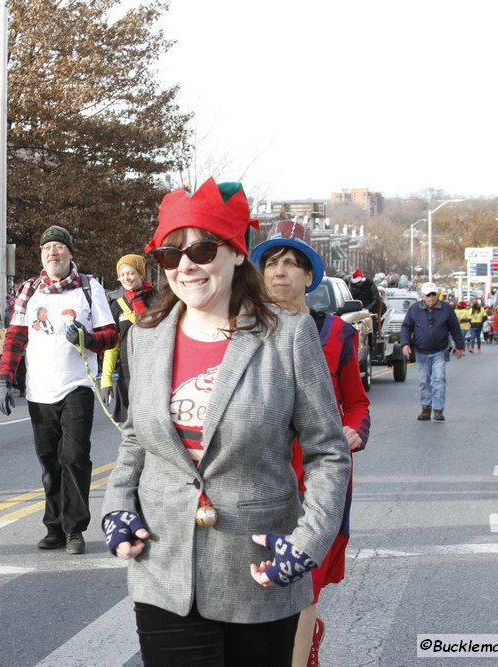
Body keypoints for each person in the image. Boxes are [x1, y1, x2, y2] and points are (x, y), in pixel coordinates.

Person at [100, 178, 350, 665]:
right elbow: (136, 440)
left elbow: (327, 451)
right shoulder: (145, 339)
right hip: (165, 573)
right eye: (171, 255)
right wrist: (116, 507)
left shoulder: (289, 336)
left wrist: (309, 541)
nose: (187, 265)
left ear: (236, 253)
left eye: (202, 248)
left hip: (260, 573)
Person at [251, 225, 370, 667]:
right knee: (263, 582)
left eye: (289, 264)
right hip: (263, 474)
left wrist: (355, 430)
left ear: (308, 276)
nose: (278, 272)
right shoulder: (245, 331)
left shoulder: (336, 334)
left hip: (319, 477)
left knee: (303, 583)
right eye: (270, 264)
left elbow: (357, 403)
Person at [0, 226, 117, 554]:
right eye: (47, 248)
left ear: (70, 254)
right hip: (39, 391)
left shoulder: (89, 288)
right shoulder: (28, 291)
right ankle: (54, 527)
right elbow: (15, 337)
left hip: (77, 386)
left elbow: (111, 335)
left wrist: (89, 339)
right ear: (41, 256)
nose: (53, 253)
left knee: (74, 457)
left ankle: (74, 529)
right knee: (50, 463)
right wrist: (5, 380)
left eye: (59, 247)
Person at [400, 282, 465, 421]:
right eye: (428, 295)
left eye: (433, 294)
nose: (431, 298)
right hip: (421, 351)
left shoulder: (446, 309)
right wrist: (405, 344)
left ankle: (438, 409)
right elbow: (406, 327)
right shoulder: (415, 309)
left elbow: (455, 328)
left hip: (439, 351)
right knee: (424, 381)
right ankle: (425, 407)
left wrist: (459, 346)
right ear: (423, 296)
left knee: (438, 379)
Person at [100, 253, 153, 423]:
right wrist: (106, 381)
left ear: (140, 274)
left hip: (155, 375)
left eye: (130, 273)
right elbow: (112, 346)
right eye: (122, 275)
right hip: (127, 375)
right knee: (131, 433)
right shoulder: (117, 306)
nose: (126, 278)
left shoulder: (158, 299)